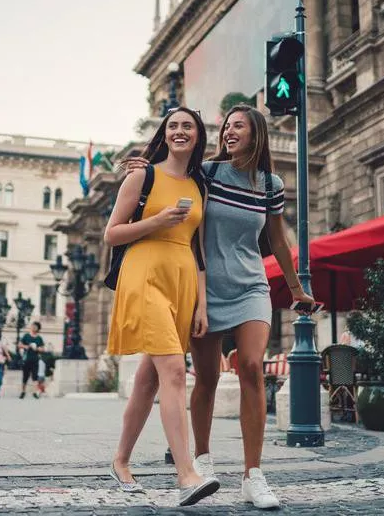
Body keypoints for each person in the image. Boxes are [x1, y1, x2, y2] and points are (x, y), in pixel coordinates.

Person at [124, 104, 316, 509]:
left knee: (249, 366)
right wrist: (143, 166)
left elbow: (278, 240)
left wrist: (297, 289)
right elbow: (170, 171)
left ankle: (253, 475)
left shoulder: (271, 185)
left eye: (238, 126)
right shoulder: (208, 174)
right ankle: (203, 460)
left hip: (250, 286)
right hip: (204, 288)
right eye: (226, 126)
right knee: (207, 377)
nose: (229, 132)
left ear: (255, 133)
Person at [104, 106, 219, 507]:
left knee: (148, 381)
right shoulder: (143, 175)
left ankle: (120, 461)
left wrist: (202, 304)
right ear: (165, 134)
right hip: (144, 277)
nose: (180, 131)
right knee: (173, 369)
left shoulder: (200, 185)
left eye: (188, 126)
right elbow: (112, 234)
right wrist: (158, 221)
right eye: (173, 126)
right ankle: (187, 474)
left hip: (182, 283)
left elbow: (199, 250)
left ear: (198, 135)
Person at [18, 322, 45, 399]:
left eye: (36, 327)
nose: (34, 328)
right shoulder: (26, 336)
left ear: (38, 329)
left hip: (35, 360)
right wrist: (26, 346)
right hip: (26, 359)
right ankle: (23, 391)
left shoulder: (39, 338)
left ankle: (35, 392)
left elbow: (43, 349)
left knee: (35, 377)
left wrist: (37, 348)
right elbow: (19, 345)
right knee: (25, 376)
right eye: (33, 326)